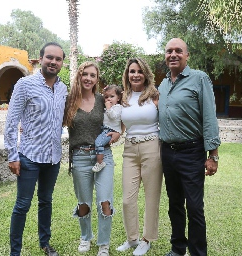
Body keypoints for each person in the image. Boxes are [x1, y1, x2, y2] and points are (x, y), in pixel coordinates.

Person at [158, 38, 221, 256]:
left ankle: (198, 253)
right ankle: (177, 248)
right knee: (174, 204)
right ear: (165, 56)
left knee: (194, 208)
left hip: (191, 152)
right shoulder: (163, 85)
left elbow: (209, 117)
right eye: (169, 51)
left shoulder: (199, 79)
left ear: (187, 55)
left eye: (178, 51)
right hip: (167, 152)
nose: (173, 54)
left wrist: (213, 155)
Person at [4, 42, 67, 256]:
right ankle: (15, 251)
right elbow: (11, 122)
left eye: (58, 59)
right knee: (22, 205)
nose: (53, 62)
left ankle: (45, 243)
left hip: (53, 158)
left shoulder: (63, 88)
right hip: (29, 156)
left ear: (62, 63)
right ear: (41, 59)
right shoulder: (24, 84)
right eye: (50, 57)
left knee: (46, 201)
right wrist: (13, 156)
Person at [63, 61, 120, 256]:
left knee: (105, 200)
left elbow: (118, 119)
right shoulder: (69, 101)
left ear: (97, 79)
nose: (88, 78)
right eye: (85, 74)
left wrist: (118, 134)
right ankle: (86, 237)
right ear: (79, 76)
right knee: (84, 202)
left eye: (92, 75)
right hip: (79, 157)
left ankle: (103, 243)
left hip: (103, 157)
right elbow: (52, 120)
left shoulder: (103, 100)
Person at [116, 57, 163, 256]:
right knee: (127, 199)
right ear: (127, 75)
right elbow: (118, 125)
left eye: (139, 71)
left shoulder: (155, 95)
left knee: (152, 196)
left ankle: (147, 239)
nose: (135, 75)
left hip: (152, 147)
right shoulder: (124, 97)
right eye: (131, 71)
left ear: (145, 74)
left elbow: (168, 118)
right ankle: (132, 238)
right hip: (129, 149)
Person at [92, 84, 123, 172]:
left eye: (112, 96)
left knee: (98, 143)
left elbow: (113, 116)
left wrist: (108, 108)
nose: (109, 99)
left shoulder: (118, 107)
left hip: (110, 130)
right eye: (106, 97)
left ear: (118, 98)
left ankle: (100, 162)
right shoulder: (108, 108)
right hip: (105, 129)